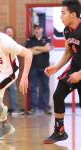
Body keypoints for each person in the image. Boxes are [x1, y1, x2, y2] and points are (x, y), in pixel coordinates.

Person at [43, 0, 81, 144]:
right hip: (74, 68)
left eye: (63, 13)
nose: (61, 16)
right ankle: (59, 132)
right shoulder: (66, 30)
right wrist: (57, 67)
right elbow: (68, 52)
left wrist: (80, 75)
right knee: (58, 95)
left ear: (73, 14)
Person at [26, 24, 52, 115]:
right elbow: (29, 52)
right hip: (33, 67)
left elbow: (48, 48)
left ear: (42, 29)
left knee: (45, 87)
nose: (37, 30)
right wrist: (43, 49)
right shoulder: (30, 39)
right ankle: (33, 108)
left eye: (39, 28)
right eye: (35, 29)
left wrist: (36, 48)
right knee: (33, 88)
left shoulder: (47, 38)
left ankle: (45, 107)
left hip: (45, 68)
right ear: (34, 30)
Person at [4, 26, 24, 116]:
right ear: (5, 34)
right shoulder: (2, 43)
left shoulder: (14, 44)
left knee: (13, 90)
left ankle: (15, 109)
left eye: (11, 32)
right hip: (2, 71)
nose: (9, 33)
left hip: (11, 71)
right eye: (8, 32)